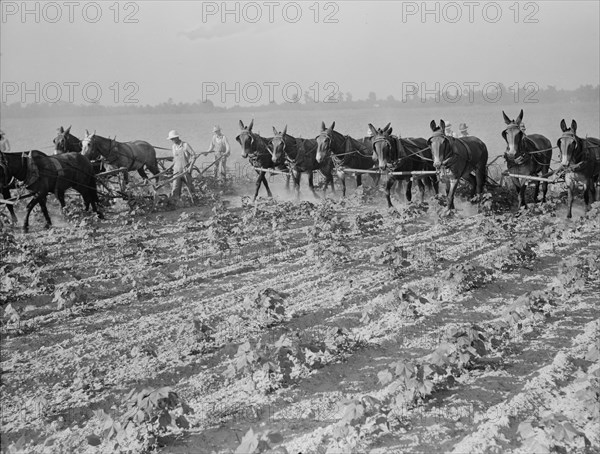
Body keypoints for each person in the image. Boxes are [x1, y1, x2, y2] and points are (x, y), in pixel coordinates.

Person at [167, 130, 197, 201]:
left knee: (190, 187)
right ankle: (176, 203)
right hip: (176, 170)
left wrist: (190, 166)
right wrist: (170, 167)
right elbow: (175, 159)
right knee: (175, 188)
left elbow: (194, 156)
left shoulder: (185, 145)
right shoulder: (173, 147)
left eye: (173, 138)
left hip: (185, 169)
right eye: (171, 139)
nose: (172, 140)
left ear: (177, 137)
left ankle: (195, 201)